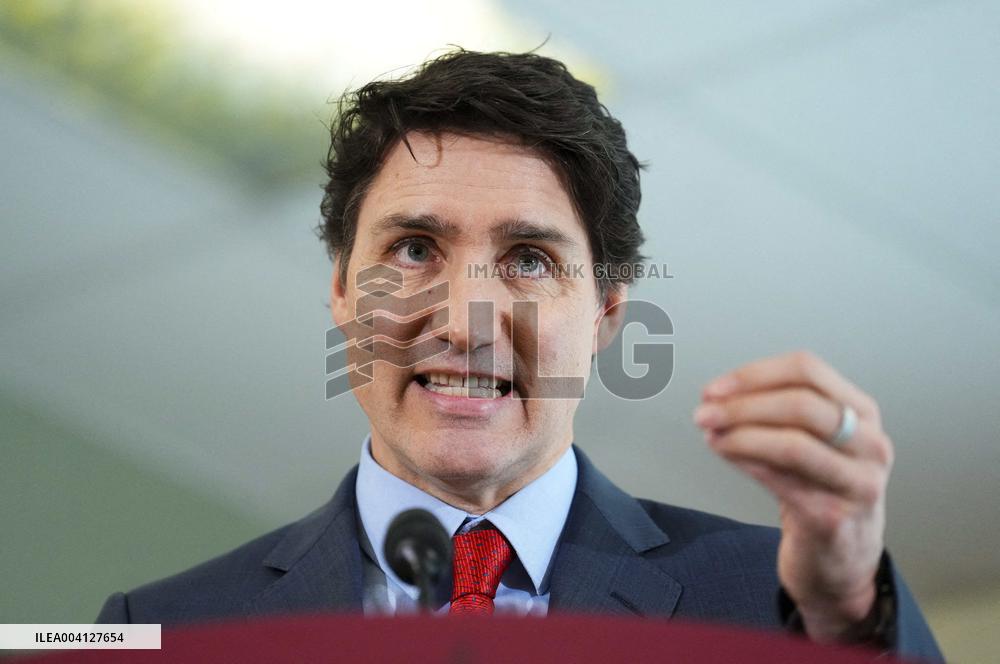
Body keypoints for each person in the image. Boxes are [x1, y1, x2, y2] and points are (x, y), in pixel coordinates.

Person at [97, 49, 943, 660]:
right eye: (416, 249)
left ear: (607, 312)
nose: (467, 322)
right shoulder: (160, 630)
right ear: (344, 292)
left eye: (529, 261)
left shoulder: (780, 607)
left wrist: (842, 620)